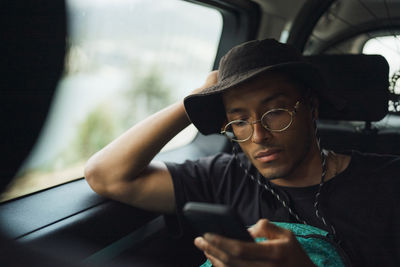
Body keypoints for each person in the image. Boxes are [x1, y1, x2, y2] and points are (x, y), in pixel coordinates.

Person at [84, 39, 400, 267]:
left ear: (312, 108)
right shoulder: (224, 177)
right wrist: (194, 99)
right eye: (239, 120)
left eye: (275, 111)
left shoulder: (389, 182)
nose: (259, 135)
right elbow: (105, 174)